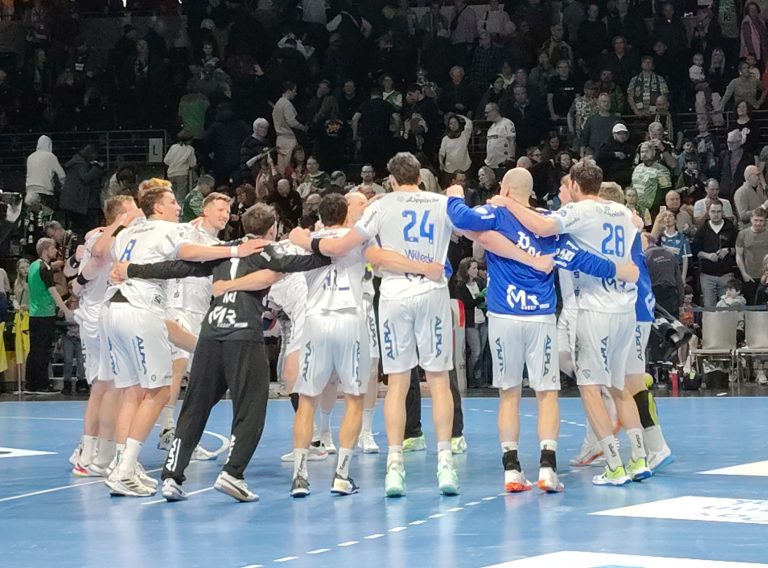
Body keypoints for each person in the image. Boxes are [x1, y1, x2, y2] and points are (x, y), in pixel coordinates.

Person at [289, 152, 460, 497]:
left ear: (392, 179)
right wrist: (455, 194)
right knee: (440, 380)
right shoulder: (442, 203)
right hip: (433, 293)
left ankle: (394, 466)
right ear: (420, 177)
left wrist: (302, 238)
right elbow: (470, 229)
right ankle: (446, 464)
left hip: (394, 295)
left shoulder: (381, 208)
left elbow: (342, 247)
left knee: (396, 382)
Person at [491, 160, 651, 486]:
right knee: (619, 388)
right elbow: (640, 239)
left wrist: (506, 201)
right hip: (626, 310)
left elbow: (543, 228)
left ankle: (615, 464)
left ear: (576, 187)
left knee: (590, 388)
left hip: (595, 309)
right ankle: (639, 459)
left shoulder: (580, 211)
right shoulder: (621, 212)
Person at [102, 179, 263, 497]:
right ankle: (123, 470)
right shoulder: (169, 229)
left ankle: (123, 466)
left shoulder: (130, 231)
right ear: (158, 207)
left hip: (112, 307)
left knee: (132, 391)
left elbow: (113, 259)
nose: (178, 206)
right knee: (160, 390)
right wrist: (234, 250)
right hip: (142, 307)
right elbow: (190, 252)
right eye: (173, 201)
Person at [157, 193, 235, 461]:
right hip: (176, 306)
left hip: (201, 311)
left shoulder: (220, 244)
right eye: (220, 209)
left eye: (227, 211)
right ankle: (170, 431)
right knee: (177, 368)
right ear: (205, 210)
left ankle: (181, 433)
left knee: (198, 377)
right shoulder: (186, 231)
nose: (225, 215)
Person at [68, 195, 141, 477]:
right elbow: (96, 256)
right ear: (122, 213)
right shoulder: (106, 238)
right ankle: (100, 455)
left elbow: (81, 274)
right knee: (111, 387)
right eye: (133, 206)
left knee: (104, 387)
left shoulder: (100, 235)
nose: (139, 210)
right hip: (100, 318)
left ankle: (90, 450)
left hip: (97, 314)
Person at [25, 237, 72, 393]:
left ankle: (31, 384)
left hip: (34, 314)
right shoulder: (44, 269)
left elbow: (38, 277)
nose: (56, 251)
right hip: (45, 314)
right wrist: (66, 310)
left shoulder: (33, 266)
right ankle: (42, 384)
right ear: (45, 250)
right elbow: (53, 292)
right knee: (43, 351)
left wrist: (52, 266)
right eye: (53, 249)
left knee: (34, 350)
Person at [693, 201, 738, 307]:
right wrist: (707, 256)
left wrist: (727, 250)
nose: (716, 214)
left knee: (727, 307)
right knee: (709, 308)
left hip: (726, 274)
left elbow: (738, 249)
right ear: (708, 213)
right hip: (707, 275)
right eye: (713, 211)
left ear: (723, 212)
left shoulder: (731, 228)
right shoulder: (702, 230)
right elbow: (695, 251)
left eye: (718, 211)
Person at [453, 258, 487, 388]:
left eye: (476, 268)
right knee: (476, 351)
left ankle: (479, 378)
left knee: (482, 351)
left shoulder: (479, 282)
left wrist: (482, 300)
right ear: (466, 270)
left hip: (482, 320)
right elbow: (466, 303)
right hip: (471, 323)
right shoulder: (460, 286)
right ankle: (471, 377)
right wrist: (480, 298)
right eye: (473, 268)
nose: (476, 270)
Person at [736, 207, 768, 303]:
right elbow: (739, 255)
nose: (758, 223)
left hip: (766, 277)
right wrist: (743, 273)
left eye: (761, 220)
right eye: (756, 220)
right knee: (751, 305)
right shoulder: (743, 234)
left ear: (765, 221)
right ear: (751, 219)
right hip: (750, 277)